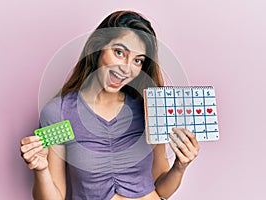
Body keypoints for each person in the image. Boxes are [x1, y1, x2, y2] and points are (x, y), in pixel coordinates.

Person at [20, 10, 200, 200]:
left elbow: (162, 189)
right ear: (98, 48)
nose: (126, 68)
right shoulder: (58, 113)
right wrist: (41, 170)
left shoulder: (149, 108)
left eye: (138, 60)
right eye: (119, 52)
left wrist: (180, 167)